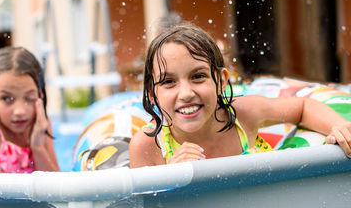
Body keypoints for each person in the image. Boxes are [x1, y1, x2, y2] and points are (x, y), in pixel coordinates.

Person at [129, 23, 351, 168]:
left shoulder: (243, 114)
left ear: (221, 81)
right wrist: (170, 178)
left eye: (198, 76)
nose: (186, 93)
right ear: (152, 92)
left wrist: (341, 127)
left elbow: (303, 107)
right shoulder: (148, 146)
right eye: (168, 82)